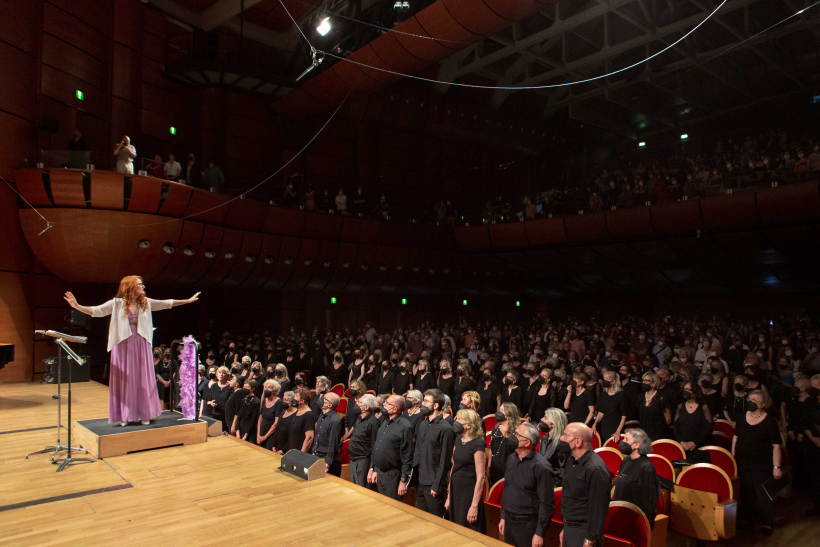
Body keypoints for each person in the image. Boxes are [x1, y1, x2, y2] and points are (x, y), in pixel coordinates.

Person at [64, 276, 199, 426]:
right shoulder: (117, 303)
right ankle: (125, 415)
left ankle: (144, 413)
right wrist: (76, 305)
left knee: (142, 378)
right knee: (125, 380)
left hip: (141, 343)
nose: (143, 286)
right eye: (140, 284)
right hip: (122, 345)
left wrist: (187, 301)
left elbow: (167, 303)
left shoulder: (146, 302)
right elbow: (97, 311)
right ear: (130, 287)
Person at [732, 389, 783, 535]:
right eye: (750, 399)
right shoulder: (741, 417)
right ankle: (747, 520)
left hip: (762, 464)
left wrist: (776, 467)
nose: (751, 402)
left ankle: (766, 522)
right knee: (746, 493)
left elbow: (776, 446)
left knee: (763, 495)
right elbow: (736, 438)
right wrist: (733, 457)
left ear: (762, 404)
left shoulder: (769, 421)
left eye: (755, 401)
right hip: (742, 462)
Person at [498, 421, 554, 547]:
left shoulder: (542, 467)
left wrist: (539, 533)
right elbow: (507, 490)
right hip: (509, 521)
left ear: (527, 442)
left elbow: (546, 503)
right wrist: (503, 516)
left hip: (528, 525)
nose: (513, 436)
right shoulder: (512, 458)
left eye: (517, 435)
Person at [559, 422, 611, 547]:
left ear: (578, 442)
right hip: (570, 527)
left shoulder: (595, 469)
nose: (561, 438)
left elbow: (598, 509)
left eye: (565, 435)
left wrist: (589, 540)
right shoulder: (571, 460)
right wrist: (565, 528)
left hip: (584, 533)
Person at [413, 388, 456, 516]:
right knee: (419, 518)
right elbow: (418, 451)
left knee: (434, 521)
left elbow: (445, 460)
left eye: (426, 401)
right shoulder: (423, 424)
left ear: (436, 405)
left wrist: (437, 485)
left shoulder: (446, 429)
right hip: (420, 480)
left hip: (433, 484)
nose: (422, 404)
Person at [445, 408, 487, 532]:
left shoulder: (477, 444)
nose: (455, 421)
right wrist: (449, 496)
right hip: (455, 490)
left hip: (469, 493)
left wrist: (474, 505)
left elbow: (481, 477)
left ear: (468, 425)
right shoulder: (458, 439)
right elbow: (454, 467)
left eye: (459, 419)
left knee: (468, 528)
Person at [368, 394, 414, 500]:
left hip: (393, 476)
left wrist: (403, 481)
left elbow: (407, 456)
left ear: (395, 408)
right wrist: (373, 468)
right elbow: (377, 447)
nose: (384, 404)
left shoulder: (405, 427)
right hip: (379, 472)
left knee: (391, 508)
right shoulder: (385, 421)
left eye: (387, 403)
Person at [612, 428, 659, 528]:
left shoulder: (646, 467)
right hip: (619, 512)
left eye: (626, 440)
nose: (622, 442)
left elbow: (648, 501)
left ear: (636, 445)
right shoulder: (626, 460)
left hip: (633, 518)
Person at [672, 381, 713, 455]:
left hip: (699, 447)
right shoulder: (680, 406)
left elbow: (708, 428)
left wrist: (694, 443)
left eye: (688, 389)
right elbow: (675, 426)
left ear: (695, 391)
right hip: (682, 446)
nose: (685, 391)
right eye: (684, 389)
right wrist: (681, 441)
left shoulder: (704, 407)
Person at [349, 393, 380, 486]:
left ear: (366, 407)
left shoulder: (373, 422)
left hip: (363, 461)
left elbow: (374, 446)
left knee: (361, 488)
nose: (356, 403)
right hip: (353, 458)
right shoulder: (358, 418)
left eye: (359, 402)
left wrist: (371, 468)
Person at [488, 402, 520, 486]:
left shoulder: (517, 431)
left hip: (508, 469)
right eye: (500, 409)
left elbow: (517, 450)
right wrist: (489, 465)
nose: (499, 412)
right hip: (495, 466)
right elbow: (491, 448)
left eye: (502, 410)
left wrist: (506, 435)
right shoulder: (496, 427)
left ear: (509, 414)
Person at [537, 407, 570, 486]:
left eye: (545, 417)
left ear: (553, 423)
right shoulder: (545, 437)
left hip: (553, 484)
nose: (541, 419)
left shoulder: (563, 444)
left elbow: (562, 473)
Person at [311, 391, 343, 475]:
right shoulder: (321, 415)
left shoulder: (335, 420)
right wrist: (314, 451)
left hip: (327, 460)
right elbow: (317, 436)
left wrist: (327, 463)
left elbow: (333, 443)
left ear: (329, 405)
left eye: (324, 398)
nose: (321, 398)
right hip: (317, 456)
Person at [592, 369, 626, 443]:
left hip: (615, 426)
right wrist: (595, 424)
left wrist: (618, 431)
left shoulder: (621, 395)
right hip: (604, 427)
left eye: (607, 379)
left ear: (613, 381)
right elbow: (601, 412)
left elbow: (624, 416)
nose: (605, 381)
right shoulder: (603, 395)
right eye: (604, 379)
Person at [280, 387, 315, 453]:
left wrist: (301, 454)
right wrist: (283, 449)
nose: (293, 399)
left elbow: (309, 437)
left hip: (299, 454)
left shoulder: (308, 415)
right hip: (291, 451)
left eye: (296, 396)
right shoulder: (297, 411)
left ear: (302, 401)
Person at [639, 371, 672, 440]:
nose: (644, 382)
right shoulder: (640, 397)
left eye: (647, 380)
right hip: (643, 434)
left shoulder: (662, 398)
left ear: (654, 383)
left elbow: (668, 419)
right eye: (643, 380)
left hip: (658, 435)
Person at [257, 379, 283, 450]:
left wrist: (265, 437)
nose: (266, 389)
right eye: (265, 387)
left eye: (269, 387)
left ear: (274, 390)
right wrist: (258, 434)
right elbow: (260, 418)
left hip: (271, 435)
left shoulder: (279, 402)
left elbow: (276, 423)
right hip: (261, 432)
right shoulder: (264, 400)